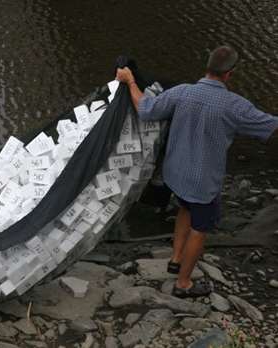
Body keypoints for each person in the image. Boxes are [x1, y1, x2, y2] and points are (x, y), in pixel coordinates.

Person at [116, 46, 278, 299]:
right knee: (200, 229)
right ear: (229, 75)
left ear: (208, 67)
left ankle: (175, 259)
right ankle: (183, 284)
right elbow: (270, 126)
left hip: (175, 174)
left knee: (185, 208)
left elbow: (145, 109)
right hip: (202, 183)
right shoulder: (235, 106)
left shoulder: (182, 92)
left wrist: (130, 81)